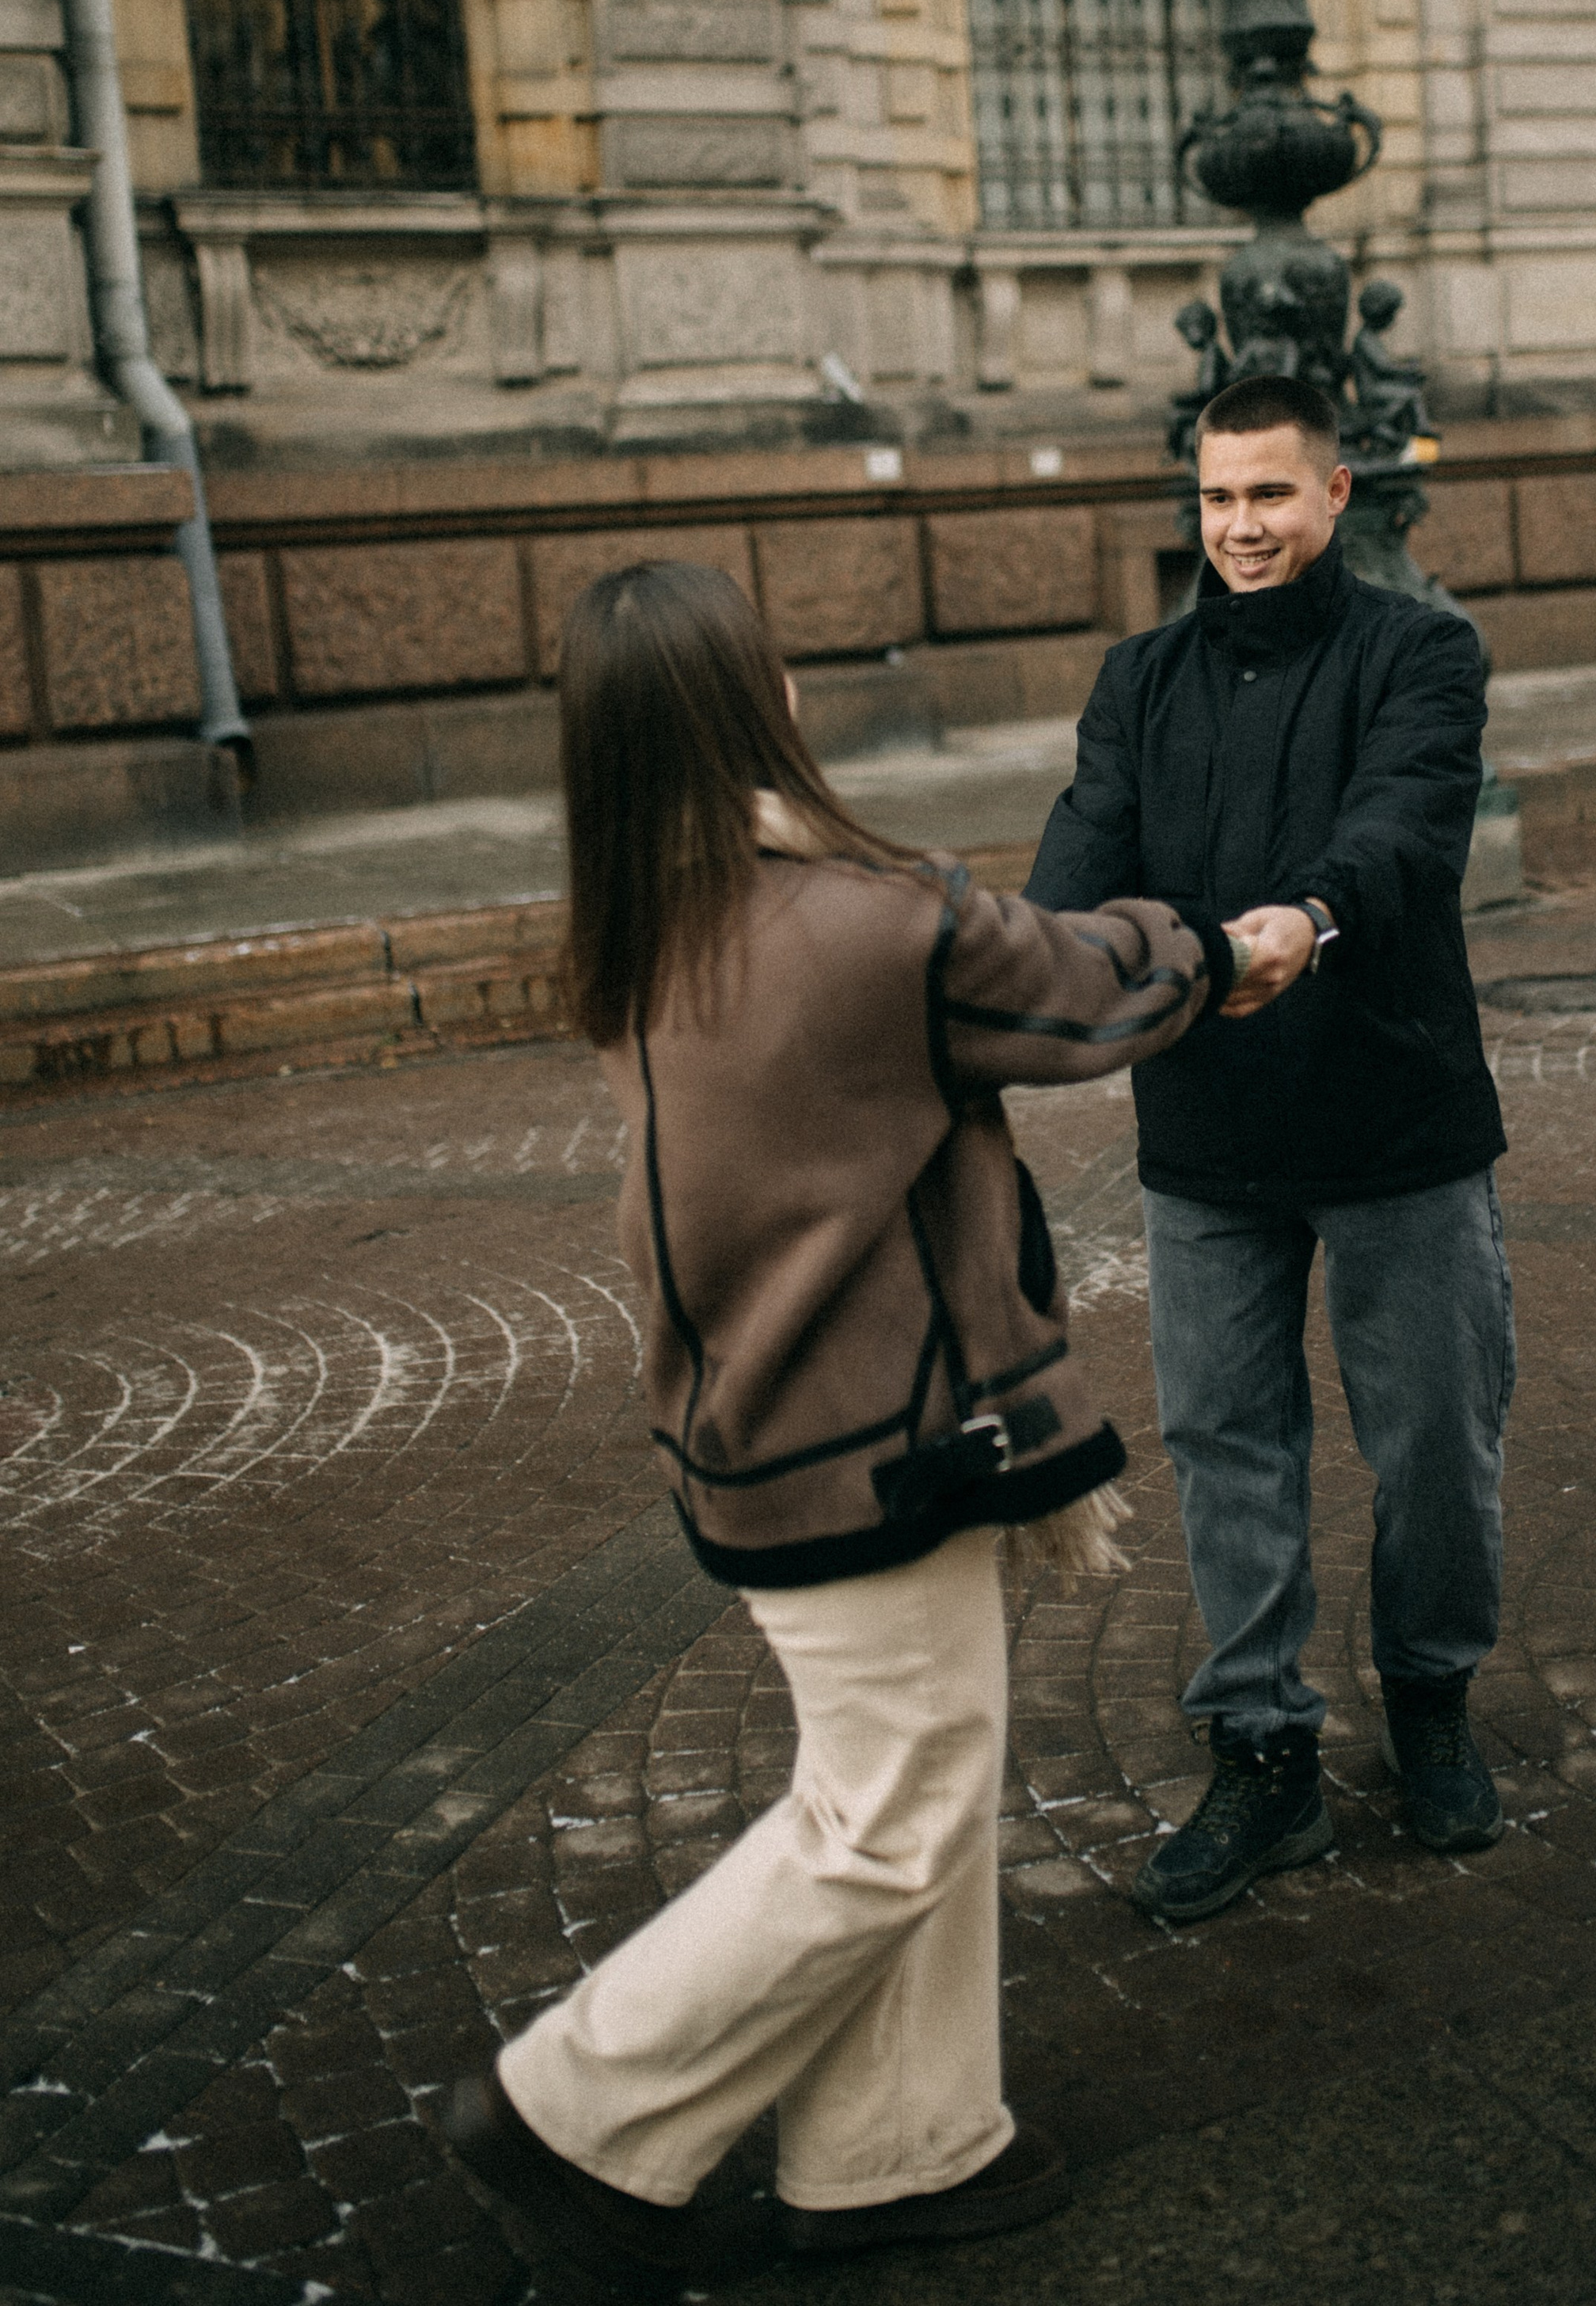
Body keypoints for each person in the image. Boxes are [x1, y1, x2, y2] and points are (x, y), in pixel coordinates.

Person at [440, 560, 1261, 2285]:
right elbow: (1079, 986)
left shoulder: (649, 910)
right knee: (885, 1814)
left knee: (915, 1777)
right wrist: (1208, 937)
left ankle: (900, 2141)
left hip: (775, 1419)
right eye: (776, 663)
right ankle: (569, 2107)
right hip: (868, 1435)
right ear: (753, 700)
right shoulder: (856, 916)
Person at [1026, 371, 1515, 1924]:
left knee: (1434, 1438)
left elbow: (1404, 829)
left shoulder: (1419, 651)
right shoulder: (1138, 677)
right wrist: (998, 953)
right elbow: (1076, 859)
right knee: (1229, 1448)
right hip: (1208, 1139)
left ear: (1331, 496)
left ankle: (1428, 1694)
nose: (1238, 524)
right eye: (1216, 497)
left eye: (1268, 494)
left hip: (1396, 1123)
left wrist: (1304, 915)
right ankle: (1261, 1755)